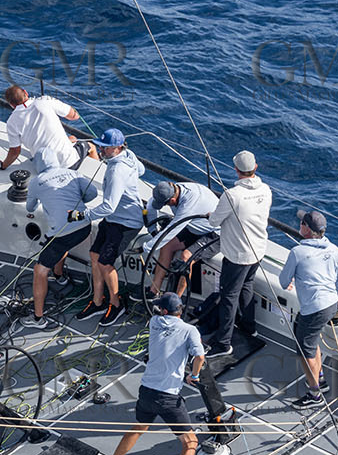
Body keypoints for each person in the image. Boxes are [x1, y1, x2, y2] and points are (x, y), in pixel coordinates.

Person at [101, 292, 206, 455]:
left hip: (147, 391)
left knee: (139, 427)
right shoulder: (189, 330)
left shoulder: (154, 322)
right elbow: (200, 356)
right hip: (168, 398)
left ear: (164, 311)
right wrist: (193, 375)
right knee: (190, 443)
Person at [73, 128, 146, 328]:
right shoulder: (128, 155)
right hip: (115, 218)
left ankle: (116, 304)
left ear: (117, 148)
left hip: (126, 223)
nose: (100, 150)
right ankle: (97, 302)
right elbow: (141, 171)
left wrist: (82, 215)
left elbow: (108, 206)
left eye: (104, 147)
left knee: (105, 263)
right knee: (95, 255)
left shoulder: (116, 171)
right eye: (100, 146)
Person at [204, 150, 273, 358]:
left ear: (236, 170)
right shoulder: (266, 190)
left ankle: (223, 343)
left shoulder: (232, 195)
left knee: (228, 297)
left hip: (237, 256)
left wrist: (213, 215)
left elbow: (214, 221)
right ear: (255, 168)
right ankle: (249, 327)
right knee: (247, 287)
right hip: (258, 250)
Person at [278, 210, 338, 407]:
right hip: (331, 303)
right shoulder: (333, 248)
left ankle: (315, 394)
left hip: (314, 308)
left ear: (307, 229)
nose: (299, 224)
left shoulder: (298, 252)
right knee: (309, 339)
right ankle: (321, 379)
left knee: (304, 349)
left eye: (302, 222)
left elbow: (284, 282)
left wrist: (294, 277)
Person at [21, 147, 98, 328]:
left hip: (63, 233)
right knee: (57, 244)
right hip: (84, 227)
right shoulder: (72, 173)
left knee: (39, 270)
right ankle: (59, 276)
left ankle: (38, 318)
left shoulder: (37, 181)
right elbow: (92, 194)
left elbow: (30, 208)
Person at [0, 85, 89, 171]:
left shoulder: (11, 122)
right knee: (91, 147)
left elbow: (15, 152)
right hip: (69, 163)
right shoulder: (45, 101)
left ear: (11, 104)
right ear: (26, 92)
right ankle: (97, 169)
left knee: (72, 138)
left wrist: (2, 166)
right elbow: (74, 116)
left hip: (45, 168)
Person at [147, 179, 220, 296]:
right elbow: (151, 205)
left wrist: (148, 247)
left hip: (215, 233)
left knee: (186, 257)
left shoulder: (189, 203)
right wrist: (152, 230)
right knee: (166, 246)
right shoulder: (169, 190)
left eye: (165, 204)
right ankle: (153, 290)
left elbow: (173, 229)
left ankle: (175, 301)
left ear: (172, 200)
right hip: (194, 226)